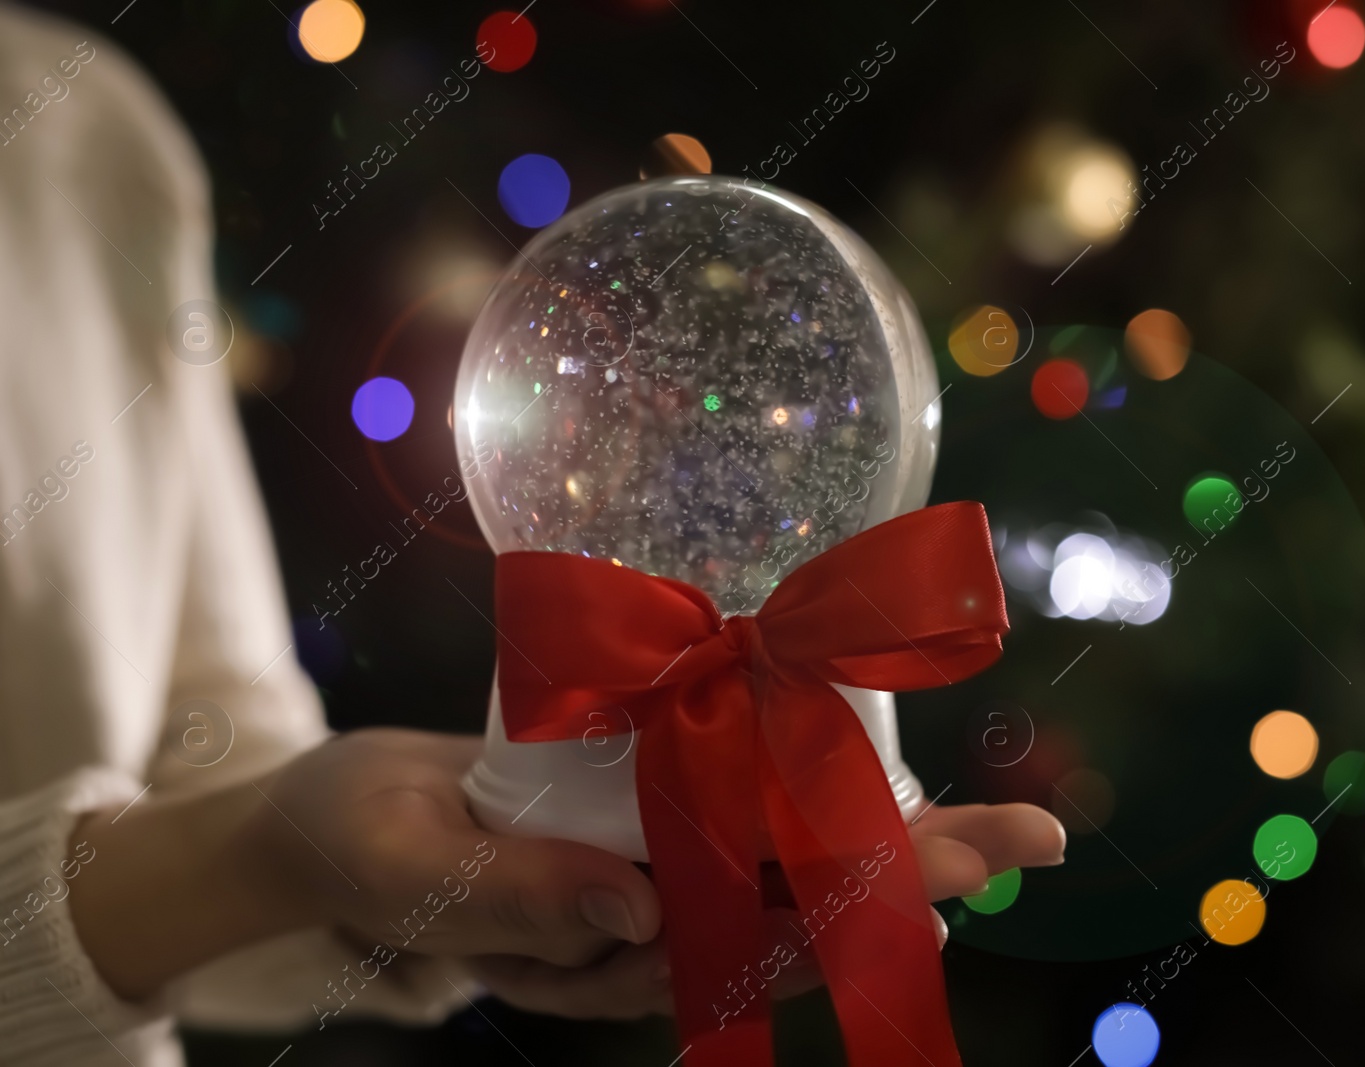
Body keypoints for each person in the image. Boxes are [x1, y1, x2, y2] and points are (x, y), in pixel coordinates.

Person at [0, 5, 1068, 1065]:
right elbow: (216, 840)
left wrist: (363, 879)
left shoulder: (78, 124)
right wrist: (265, 858)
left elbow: (208, 750)